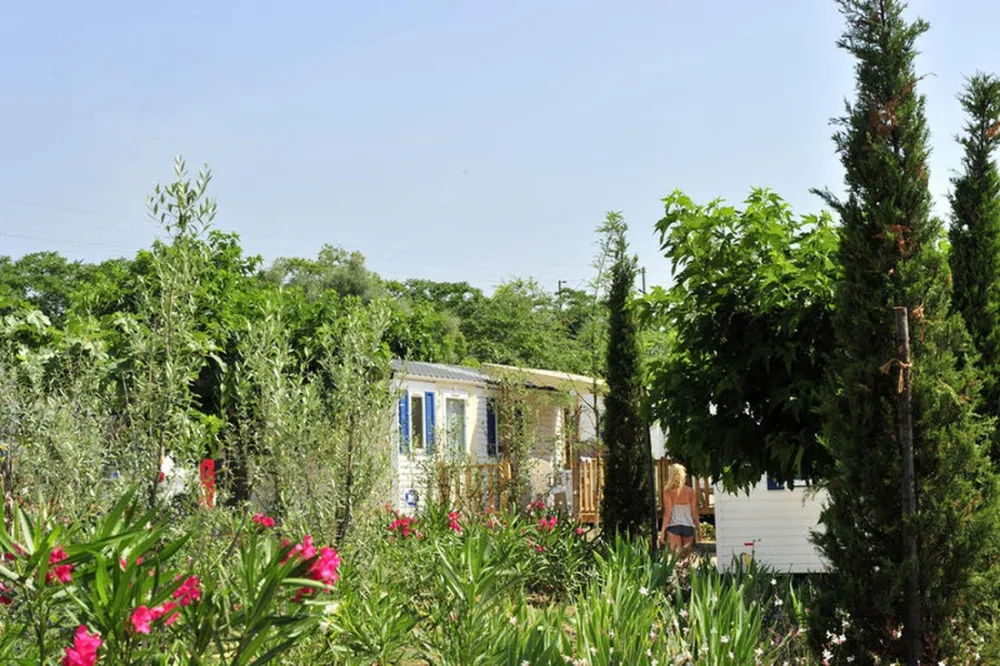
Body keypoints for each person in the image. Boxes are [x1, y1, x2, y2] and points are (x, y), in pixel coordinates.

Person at [657, 463, 699, 558]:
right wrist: (699, 529)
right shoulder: (690, 491)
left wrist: (662, 531)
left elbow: (668, 513)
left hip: (673, 526)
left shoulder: (668, 492)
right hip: (688, 526)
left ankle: (677, 568)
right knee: (686, 558)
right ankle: (687, 568)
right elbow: (694, 512)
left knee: (676, 557)